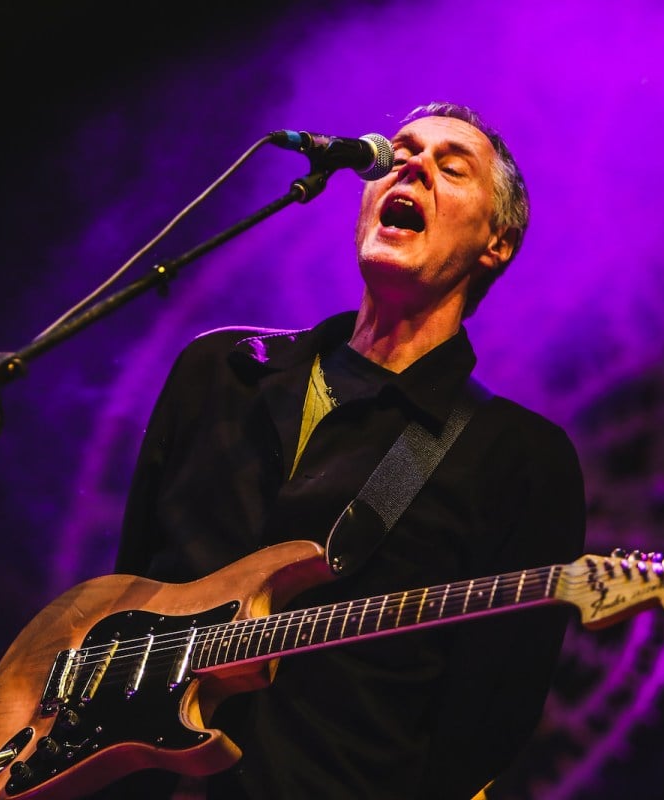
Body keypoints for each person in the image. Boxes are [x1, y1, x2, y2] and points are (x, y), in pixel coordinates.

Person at [99, 101, 587, 800]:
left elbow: (489, 719)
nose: (411, 164)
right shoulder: (221, 371)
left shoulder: (519, 458)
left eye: (452, 167)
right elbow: (131, 589)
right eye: (400, 152)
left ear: (496, 243)